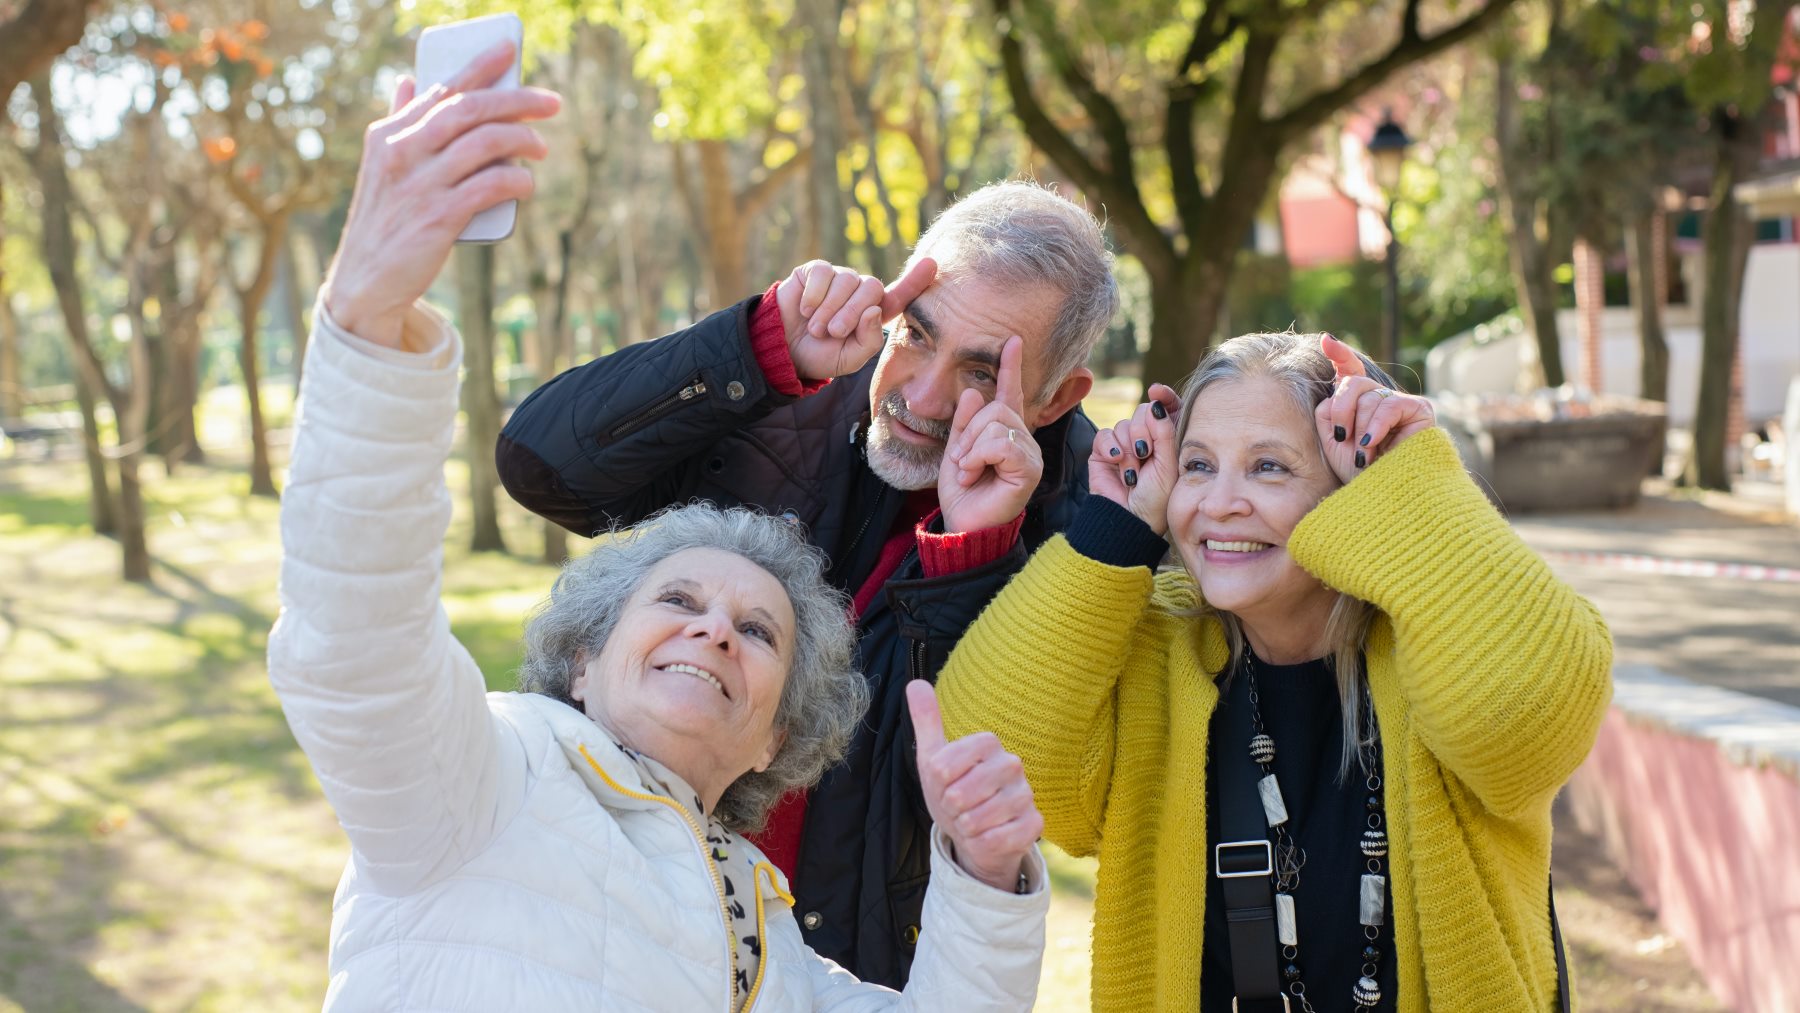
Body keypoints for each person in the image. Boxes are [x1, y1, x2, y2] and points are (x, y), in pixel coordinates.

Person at [270, 42, 1051, 1010]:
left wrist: (985, 878)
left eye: (759, 631)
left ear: (776, 739)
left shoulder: (766, 940)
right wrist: (367, 313)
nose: (715, 628)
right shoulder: (483, 781)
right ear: (584, 663)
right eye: (678, 597)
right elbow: (352, 647)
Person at [495, 162, 1116, 982]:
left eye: (979, 371)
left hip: (837, 974)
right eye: (918, 332)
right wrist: (756, 344)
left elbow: (946, 786)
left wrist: (973, 552)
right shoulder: (787, 387)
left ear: (1054, 398)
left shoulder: (1082, 528)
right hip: (626, 929)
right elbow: (541, 465)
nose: (921, 396)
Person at [935, 331, 1615, 1011]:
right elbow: (990, 751)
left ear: (1354, 487)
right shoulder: (1159, 646)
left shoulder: (1441, 641)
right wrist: (1113, 529)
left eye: (1269, 467)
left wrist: (1415, 482)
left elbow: (1525, 723)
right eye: (1198, 466)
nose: (1220, 502)